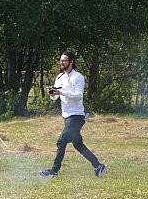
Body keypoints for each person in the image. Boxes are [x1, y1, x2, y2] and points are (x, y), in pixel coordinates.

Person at [40, 50, 106, 178]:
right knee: (78, 144)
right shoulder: (59, 77)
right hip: (66, 117)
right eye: (61, 60)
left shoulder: (78, 77)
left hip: (76, 117)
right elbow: (55, 98)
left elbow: (78, 96)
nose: (61, 62)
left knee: (61, 141)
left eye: (64, 60)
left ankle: (54, 171)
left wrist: (61, 93)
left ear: (72, 62)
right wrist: (52, 94)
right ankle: (98, 166)